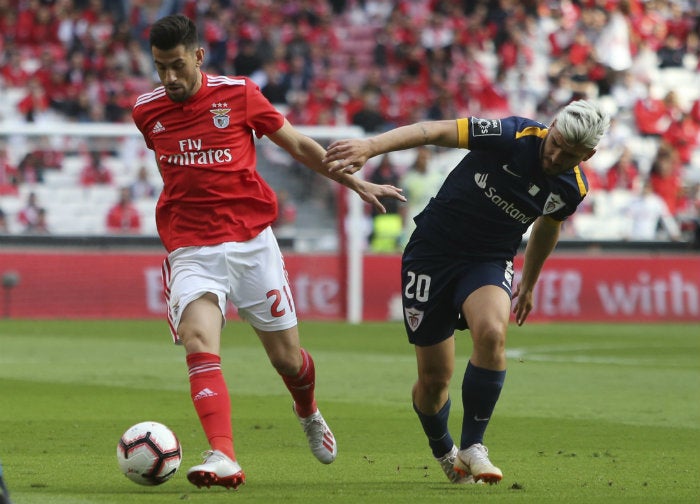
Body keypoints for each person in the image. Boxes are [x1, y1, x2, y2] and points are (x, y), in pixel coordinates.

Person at [132, 14, 405, 491]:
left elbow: (298, 144)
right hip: (192, 249)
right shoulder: (146, 111)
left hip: (252, 244)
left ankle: (308, 410)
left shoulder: (238, 94)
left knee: (287, 360)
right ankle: (223, 455)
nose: (169, 78)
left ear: (198, 56)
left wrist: (355, 182)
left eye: (177, 65)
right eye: (160, 68)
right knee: (199, 340)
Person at [324, 100, 609, 484]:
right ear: (552, 125)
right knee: (434, 379)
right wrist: (370, 146)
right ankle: (444, 449)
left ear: (587, 155)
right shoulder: (512, 136)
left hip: (488, 259)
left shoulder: (571, 188)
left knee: (493, 333)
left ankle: (474, 446)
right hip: (432, 254)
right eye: (555, 142)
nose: (556, 155)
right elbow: (434, 131)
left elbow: (547, 225)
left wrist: (529, 283)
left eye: (569, 154)